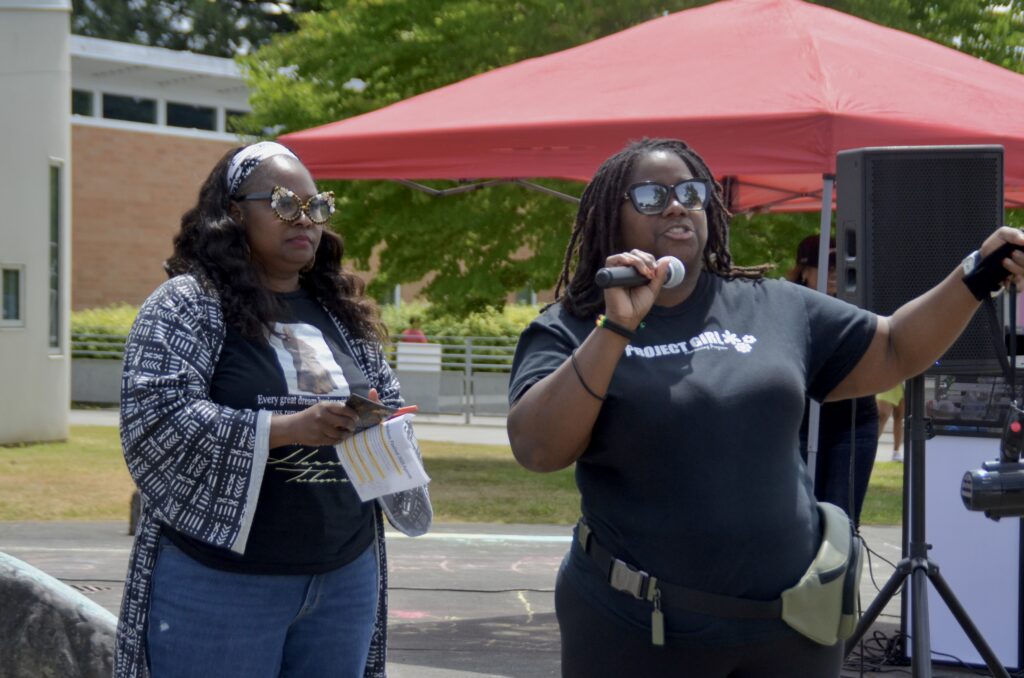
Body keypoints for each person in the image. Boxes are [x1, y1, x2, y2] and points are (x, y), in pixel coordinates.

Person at [506, 137, 1024, 677]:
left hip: (790, 630)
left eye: (691, 192)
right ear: (611, 219)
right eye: (652, 196)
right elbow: (539, 448)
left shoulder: (774, 305)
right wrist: (616, 328)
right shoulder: (573, 326)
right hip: (638, 628)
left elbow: (895, 347)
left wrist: (973, 276)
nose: (678, 206)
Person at [115, 141, 432, 678]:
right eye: (284, 204)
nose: (304, 219)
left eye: (317, 207)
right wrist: (287, 429)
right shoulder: (186, 305)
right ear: (235, 212)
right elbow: (156, 424)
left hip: (343, 578)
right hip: (220, 580)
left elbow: (389, 401)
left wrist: (384, 426)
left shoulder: (344, 315)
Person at [787, 234, 879, 525]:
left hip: (854, 423)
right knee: (801, 520)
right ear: (804, 271)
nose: (835, 273)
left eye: (840, 266)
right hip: (800, 425)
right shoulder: (788, 307)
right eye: (826, 265)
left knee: (843, 521)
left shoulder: (861, 305)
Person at [876, 383, 906, 462]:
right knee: (882, 418)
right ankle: (869, 447)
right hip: (886, 384)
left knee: (899, 419)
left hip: (901, 387)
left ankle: (896, 453)